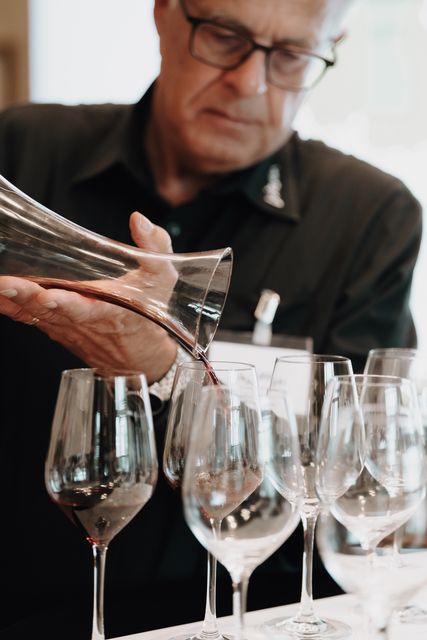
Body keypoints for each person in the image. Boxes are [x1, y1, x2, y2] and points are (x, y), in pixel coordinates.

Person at [0, 0, 422, 638]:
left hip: (245, 620)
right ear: (163, 14)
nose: (250, 83)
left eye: (292, 56)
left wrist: (164, 368)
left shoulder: (369, 218)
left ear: (332, 45)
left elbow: (352, 491)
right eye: (225, 36)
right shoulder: (22, 151)